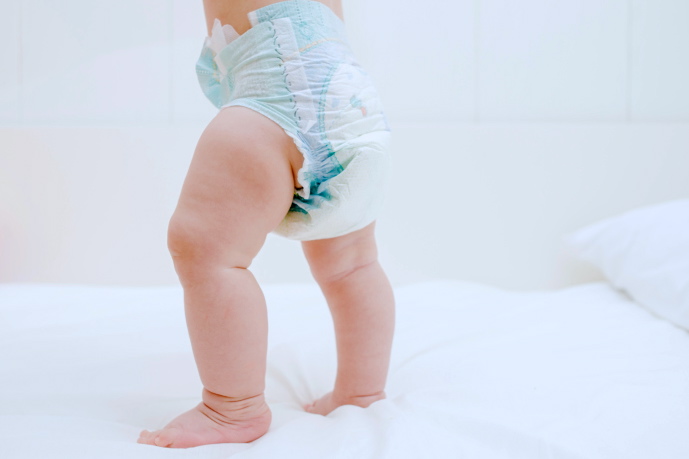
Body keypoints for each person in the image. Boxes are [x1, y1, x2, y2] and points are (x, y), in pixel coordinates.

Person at [137, 0, 394, 448]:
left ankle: (230, 408)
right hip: (348, 97)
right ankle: (361, 391)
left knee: (207, 252)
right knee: (352, 264)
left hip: (274, 82)